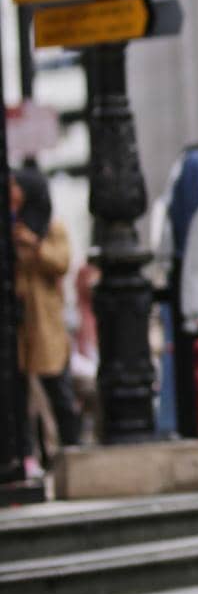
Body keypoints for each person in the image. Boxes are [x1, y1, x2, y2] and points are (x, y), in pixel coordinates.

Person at [11, 165, 81, 464]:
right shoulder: (10, 228)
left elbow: (62, 262)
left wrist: (34, 245)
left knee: (58, 390)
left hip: (47, 324)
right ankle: (33, 457)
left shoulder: (52, 227)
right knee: (21, 399)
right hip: (19, 324)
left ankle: (72, 450)